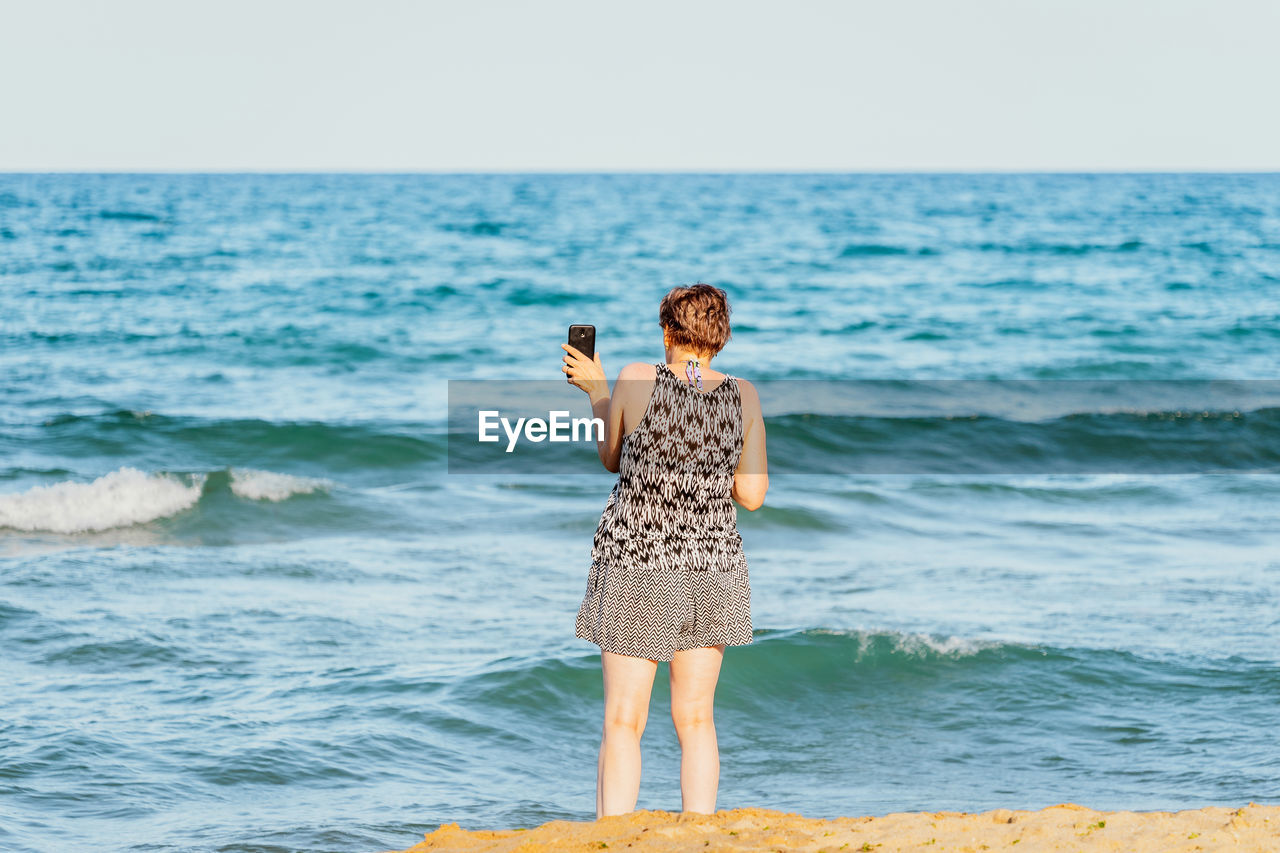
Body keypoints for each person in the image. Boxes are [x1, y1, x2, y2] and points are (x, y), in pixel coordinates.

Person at [560, 282, 768, 819]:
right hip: (712, 567)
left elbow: (611, 456)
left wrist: (596, 391)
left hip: (638, 562)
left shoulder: (635, 378)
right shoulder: (743, 395)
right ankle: (698, 832)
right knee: (696, 719)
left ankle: (613, 834)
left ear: (667, 329)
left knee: (624, 720)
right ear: (719, 336)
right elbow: (752, 494)